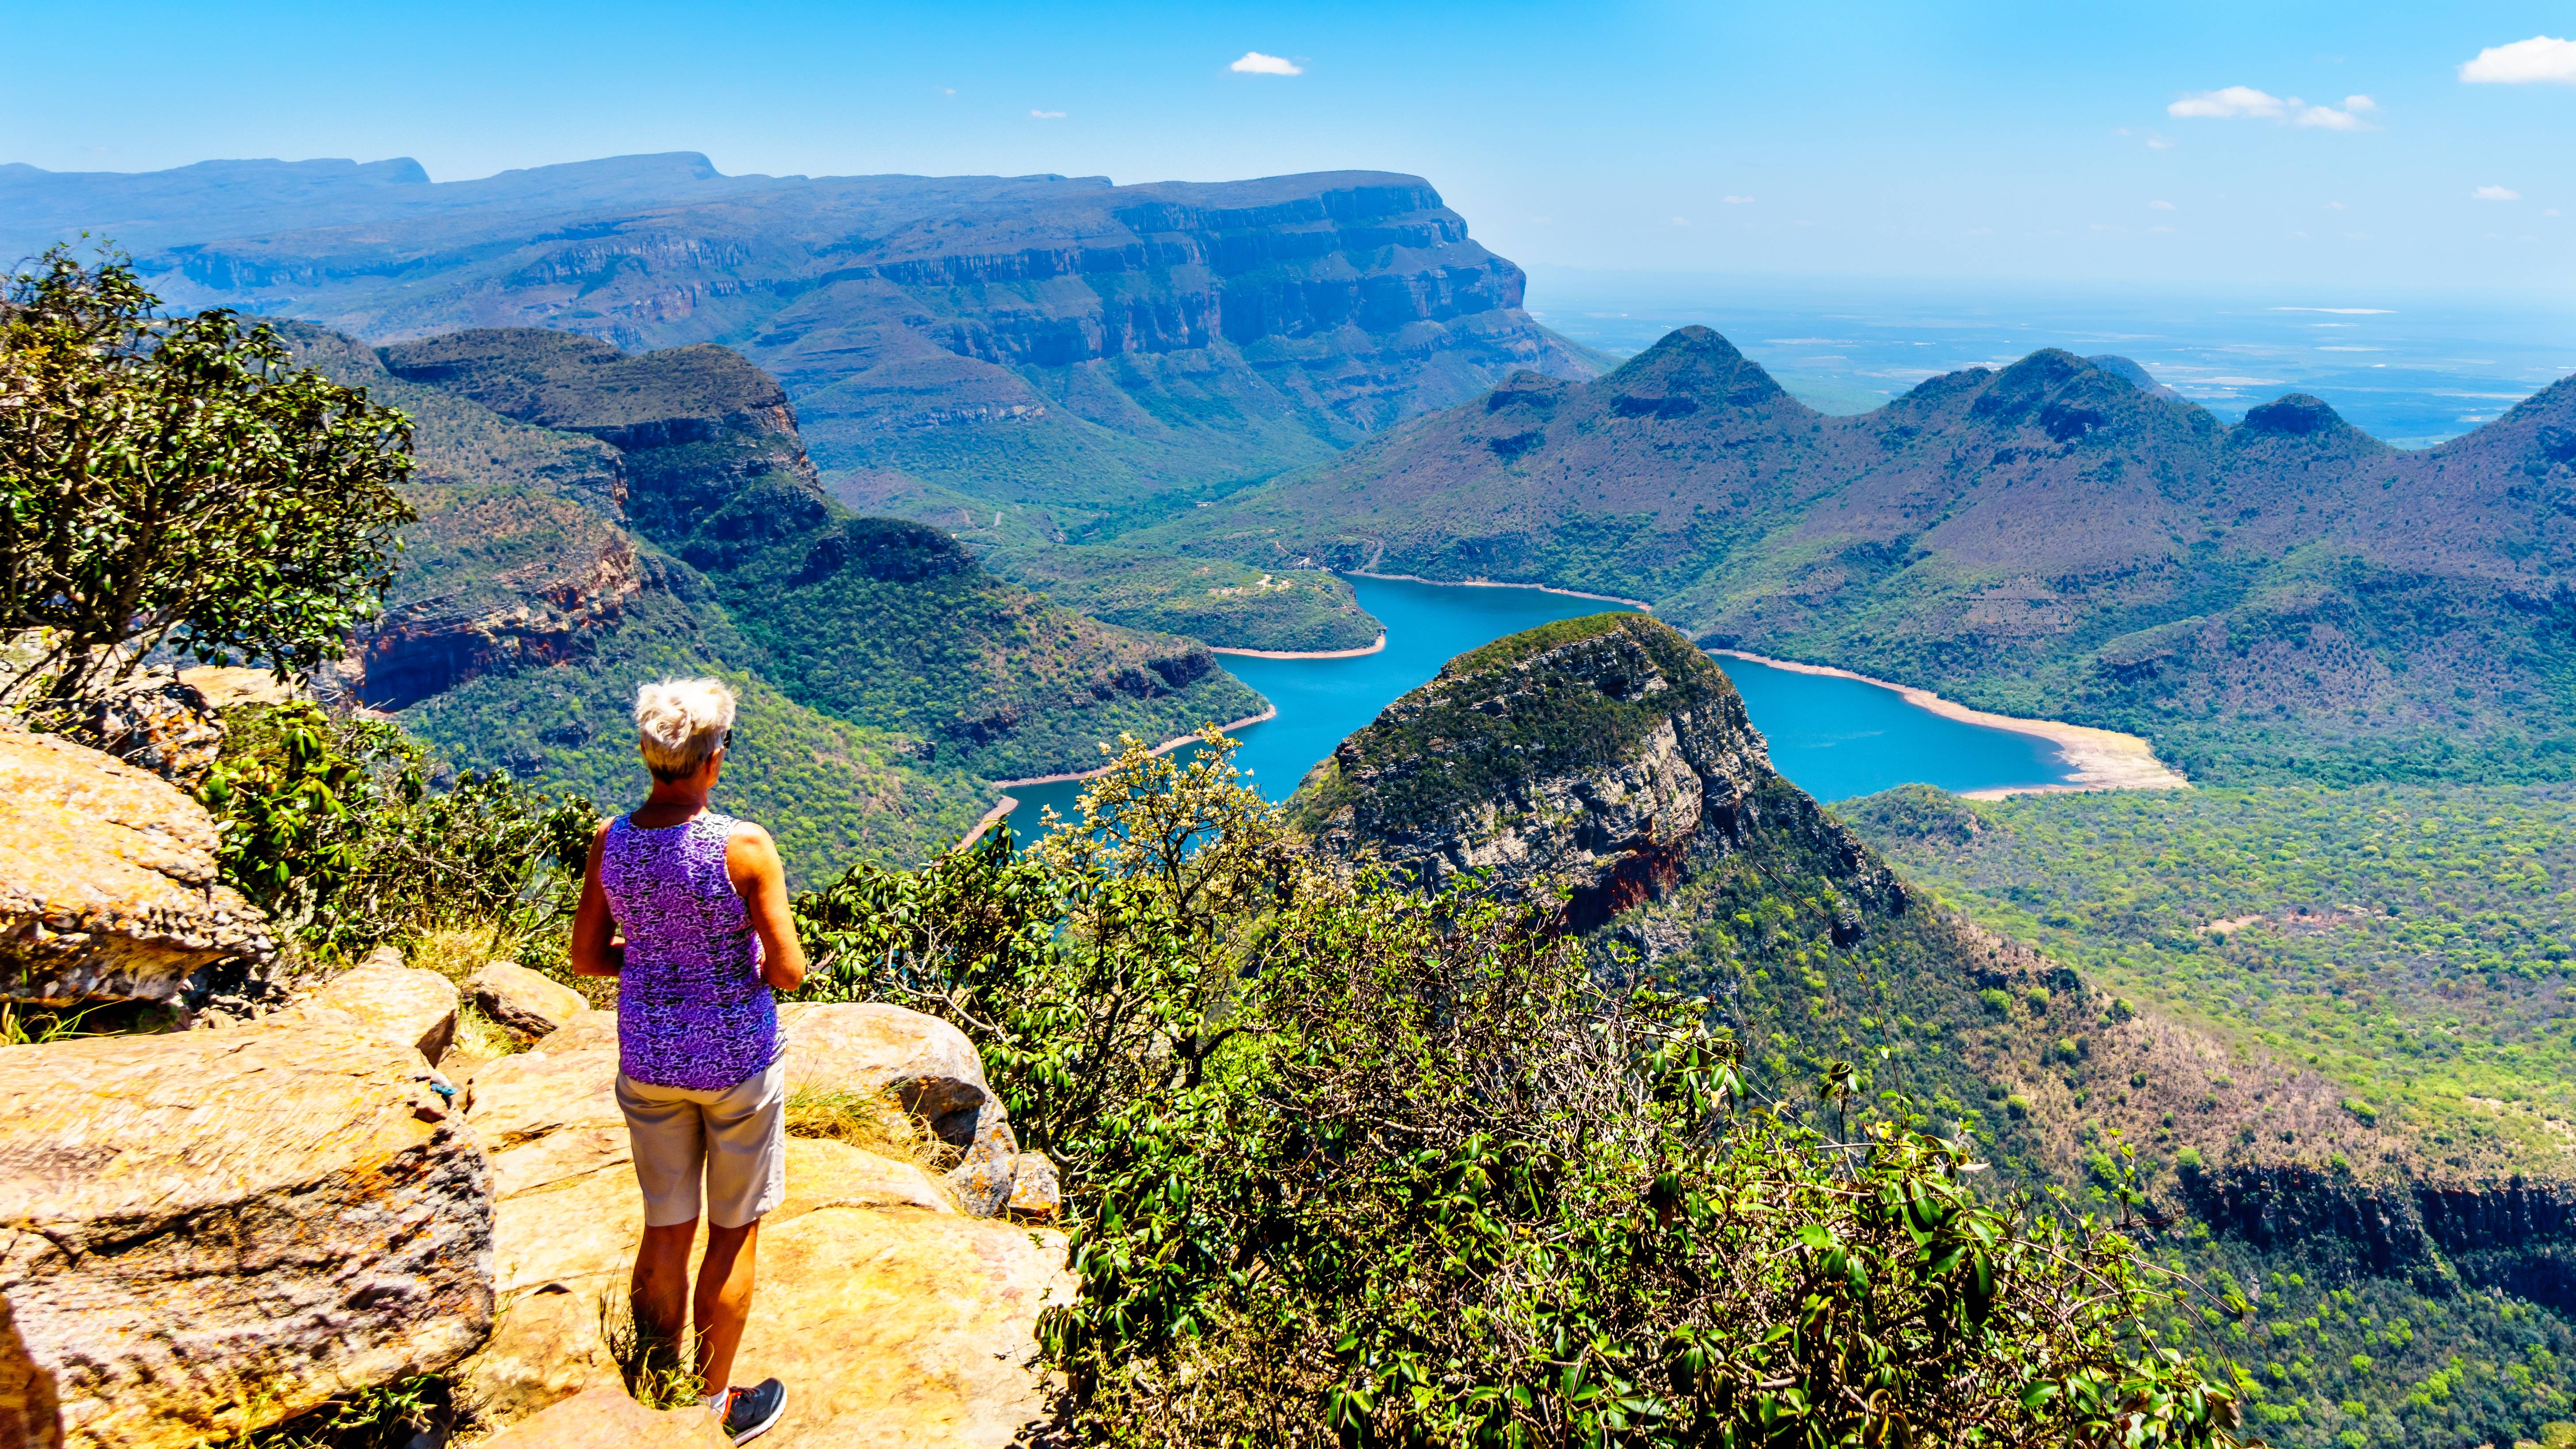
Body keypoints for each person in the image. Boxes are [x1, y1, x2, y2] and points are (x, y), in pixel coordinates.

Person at [569, 677, 807, 1445]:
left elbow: (586, 957)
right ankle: (713, 1405)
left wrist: (654, 965)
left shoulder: (613, 840)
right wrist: (719, 966)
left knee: (666, 1226)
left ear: (650, 756)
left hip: (648, 1057)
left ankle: (653, 1376)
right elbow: (787, 970)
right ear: (713, 759)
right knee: (733, 1230)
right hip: (736, 1061)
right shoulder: (743, 846)